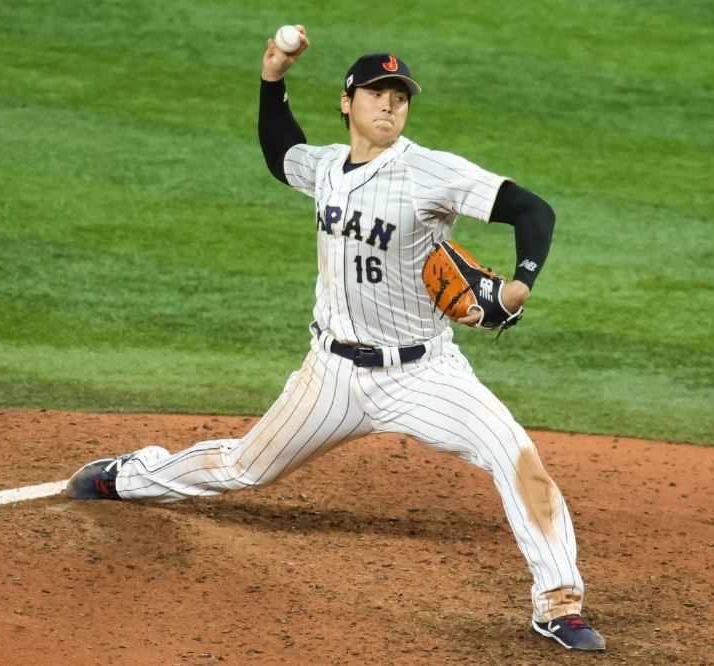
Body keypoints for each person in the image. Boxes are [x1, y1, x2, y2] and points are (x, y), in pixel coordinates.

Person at [66, 26, 605, 652]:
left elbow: (534, 211)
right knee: (244, 468)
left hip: (423, 374)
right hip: (331, 375)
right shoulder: (326, 167)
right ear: (348, 102)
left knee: (514, 452)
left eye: (400, 97)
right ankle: (131, 476)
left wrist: (522, 284)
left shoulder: (433, 172)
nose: (390, 105)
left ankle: (559, 604)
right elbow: (280, 153)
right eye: (377, 93)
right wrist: (273, 80)